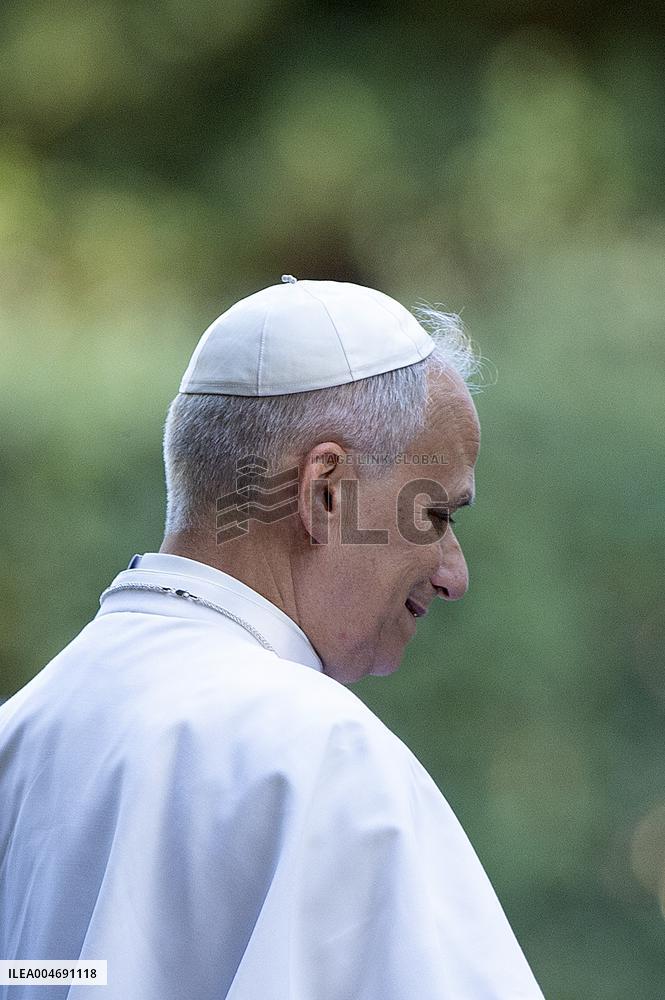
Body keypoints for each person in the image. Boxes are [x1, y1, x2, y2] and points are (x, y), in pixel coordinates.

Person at [0, 276, 545, 999]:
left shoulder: (23, 728)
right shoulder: (324, 751)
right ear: (327, 491)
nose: (454, 575)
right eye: (438, 517)